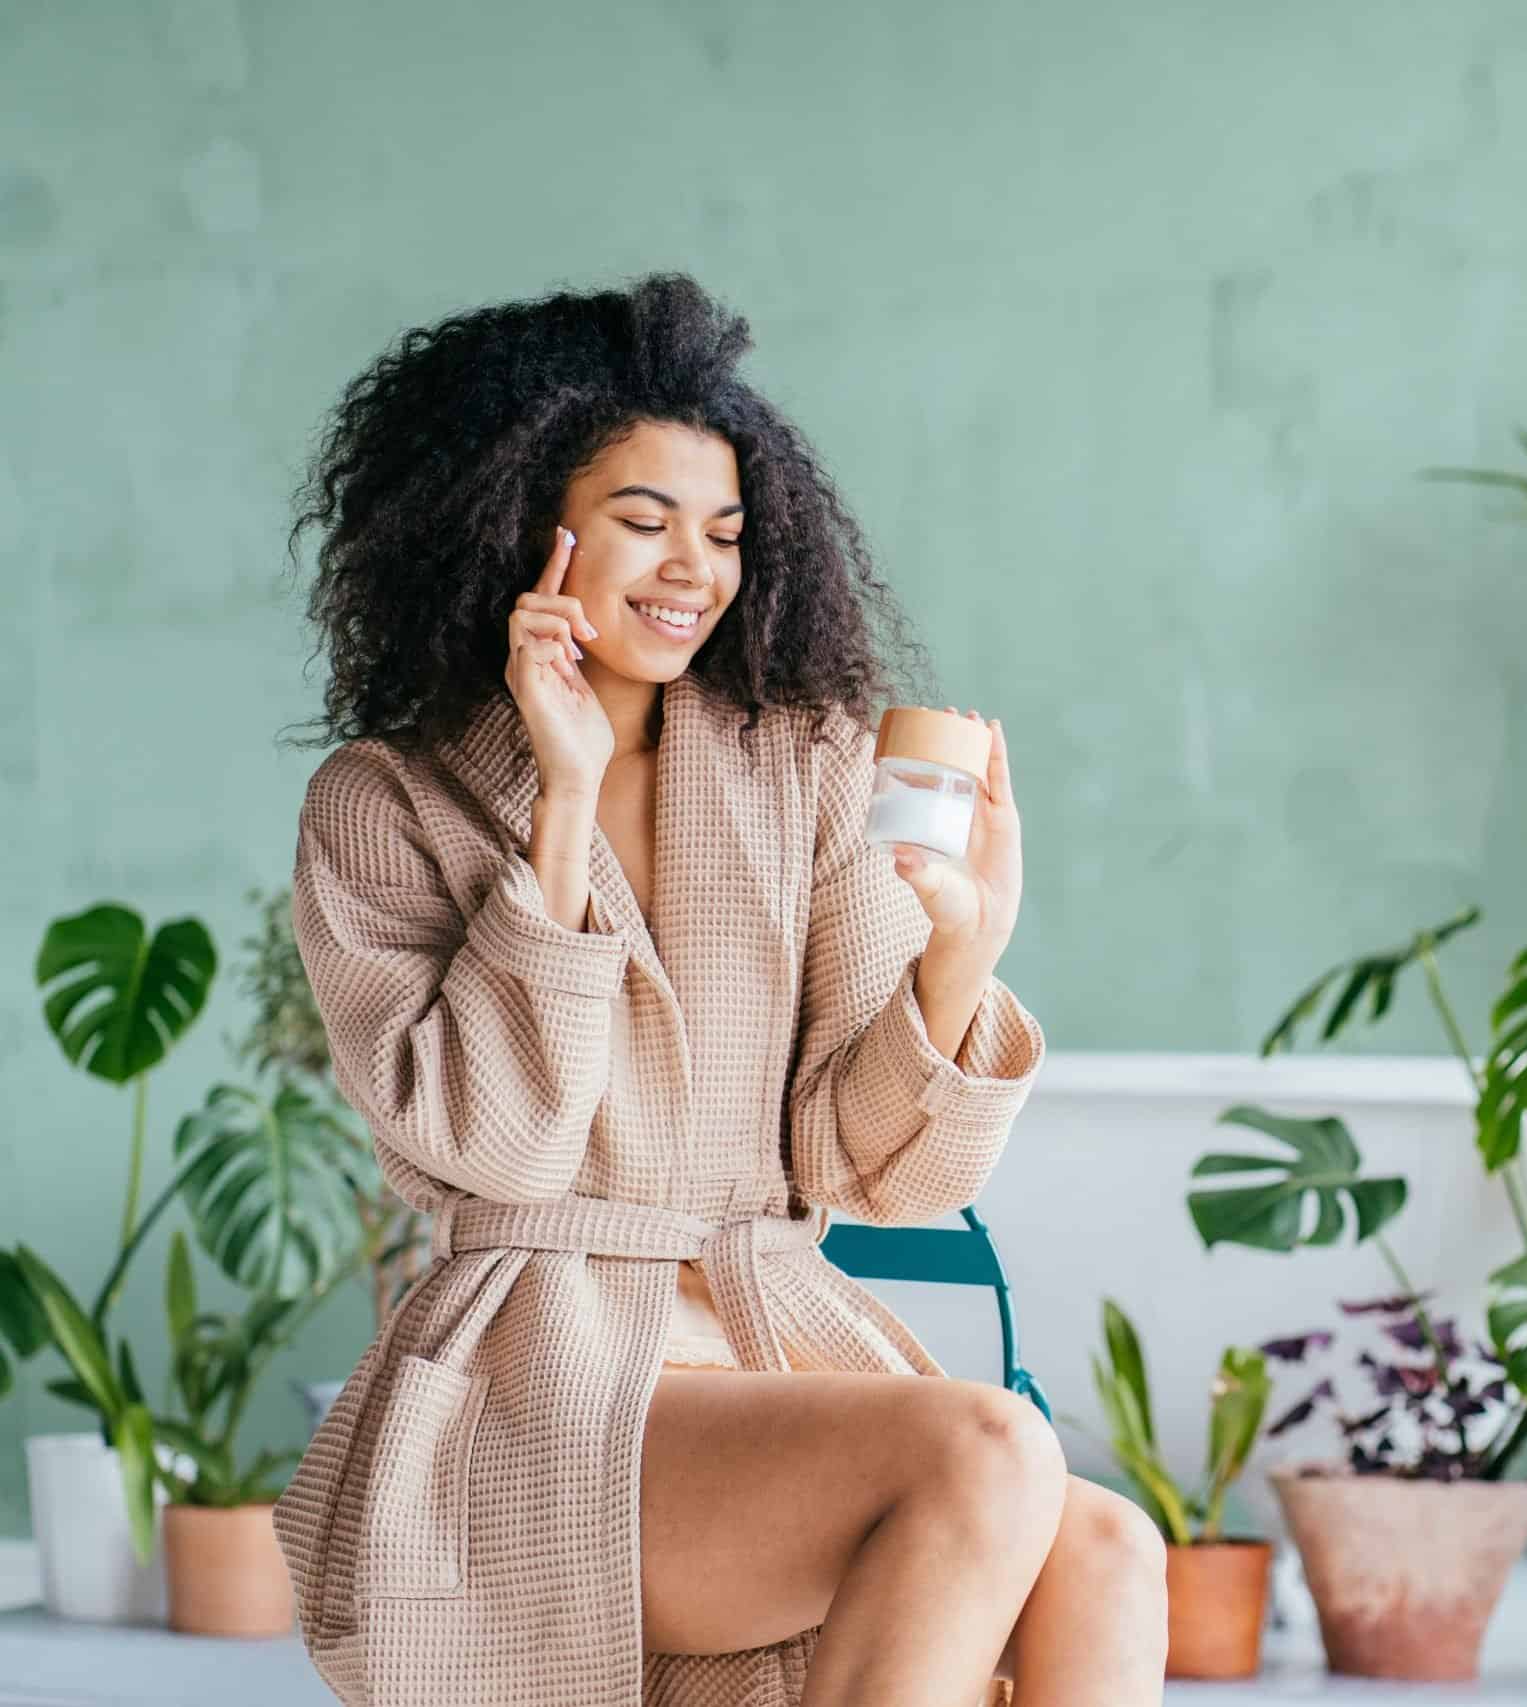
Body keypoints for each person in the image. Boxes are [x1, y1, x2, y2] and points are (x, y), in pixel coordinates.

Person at [268, 273, 1166, 1706]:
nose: (695, 564)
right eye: (643, 520)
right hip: (535, 1379)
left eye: (727, 532)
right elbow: (493, 1149)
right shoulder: (389, 800)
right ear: (514, 524)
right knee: (987, 1451)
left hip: (763, 1334)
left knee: (1110, 1548)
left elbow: (873, 1173)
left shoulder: (798, 769)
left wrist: (962, 955)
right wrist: (560, 804)